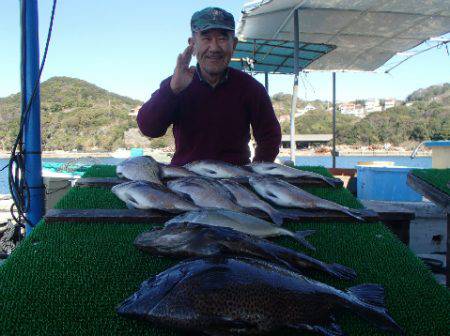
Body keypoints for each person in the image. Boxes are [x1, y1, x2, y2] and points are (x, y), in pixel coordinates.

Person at [137, 7, 281, 166]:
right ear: (192, 44)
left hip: (236, 179)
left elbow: (270, 137)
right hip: (184, 179)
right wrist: (172, 91)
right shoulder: (175, 84)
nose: (214, 48)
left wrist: (256, 174)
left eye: (222, 38)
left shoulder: (251, 88)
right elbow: (149, 129)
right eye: (206, 38)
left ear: (233, 44)